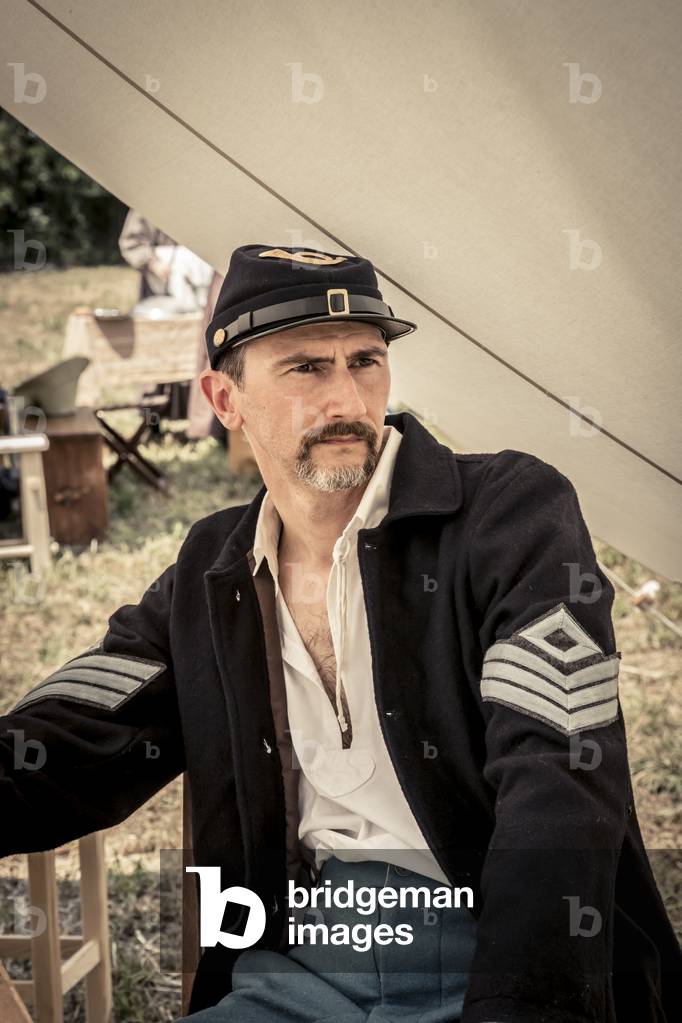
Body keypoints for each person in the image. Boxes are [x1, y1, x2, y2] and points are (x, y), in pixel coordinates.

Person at [1, 245, 680, 1023]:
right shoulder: (211, 569)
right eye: (304, 369)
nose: (347, 398)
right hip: (296, 965)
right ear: (225, 398)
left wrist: (519, 1004)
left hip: (496, 949)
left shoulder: (509, 514)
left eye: (365, 360)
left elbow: (558, 776)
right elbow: (80, 729)